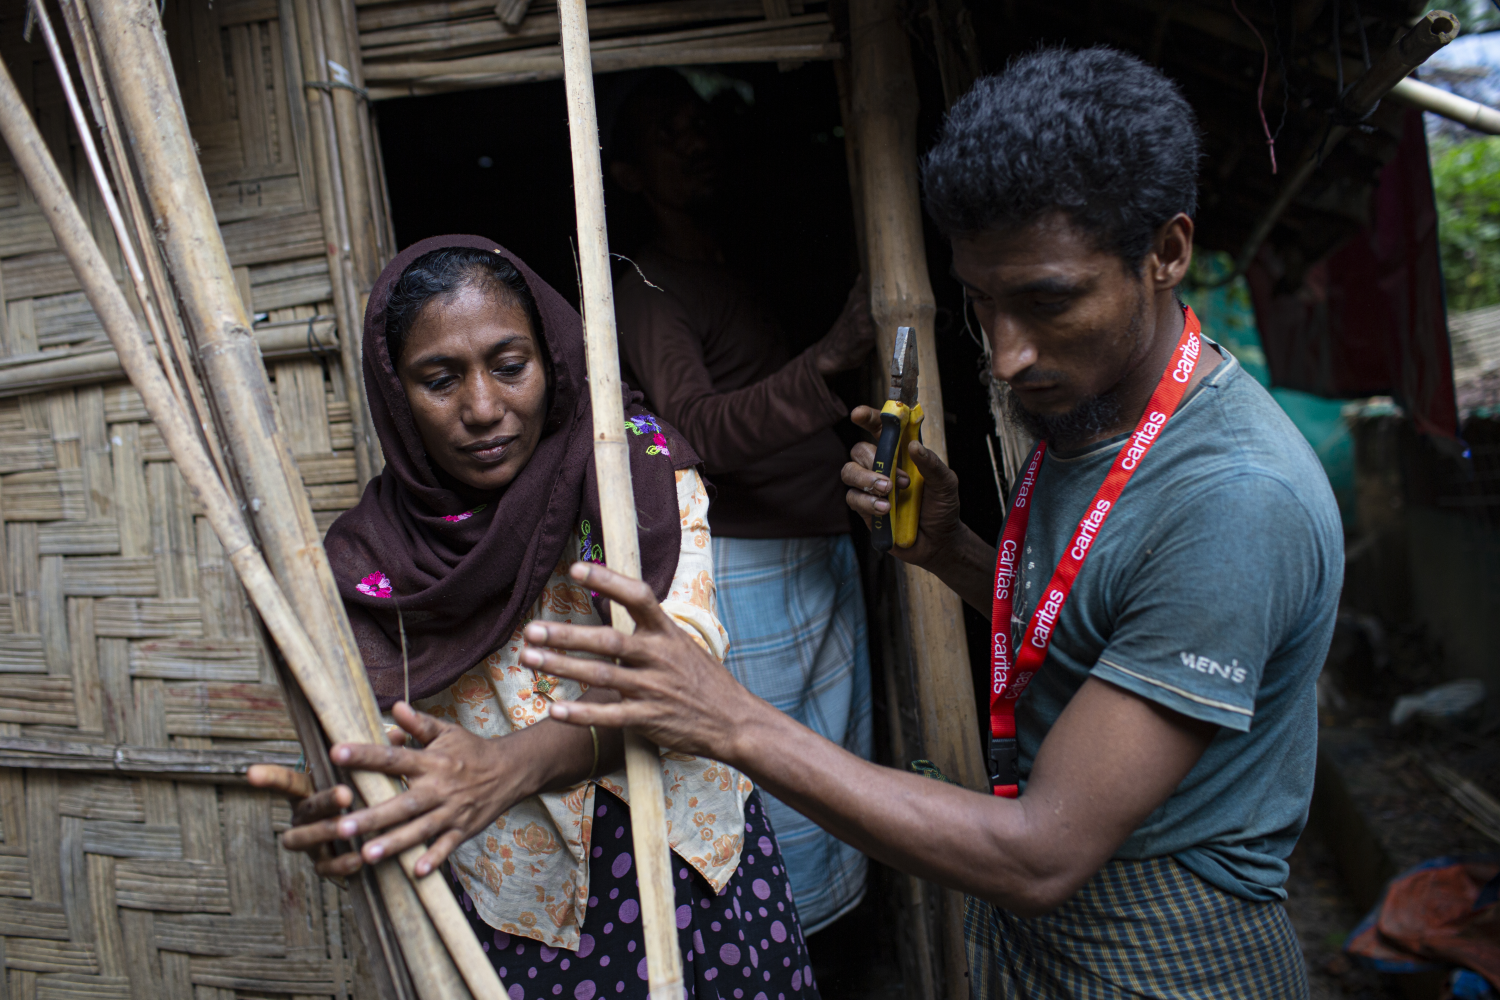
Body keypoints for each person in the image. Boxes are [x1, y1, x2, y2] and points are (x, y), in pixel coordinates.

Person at [510, 49, 1342, 999]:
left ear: (1166, 251)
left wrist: (728, 717)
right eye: (981, 305)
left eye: (1046, 301)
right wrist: (952, 554)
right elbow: (1093, 639)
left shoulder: (1232, 498)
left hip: (1166, 953)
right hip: (1053, 941)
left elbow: (1039, 854)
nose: (1006, 353)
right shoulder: (1098, 415)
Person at [248, 235, 819, 1000]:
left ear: (552, 357)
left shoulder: (639, 472)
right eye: (439, 379)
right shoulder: (369, 563)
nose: (483, 409)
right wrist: (361, 809)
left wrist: (502, 765)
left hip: (692, 859)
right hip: (521, 906)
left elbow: (685, 672)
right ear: (395, 395)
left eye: (510, 366)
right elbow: (377, 754)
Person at [606, 71, 877, 932]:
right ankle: (781, 951)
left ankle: (829, 935)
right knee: (782, 783)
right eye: (667, 132)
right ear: (627, 175)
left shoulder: (721, 259)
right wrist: (832, 357)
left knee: (832, 761)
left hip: (816, 541)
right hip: (754, 562)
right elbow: (699, 430)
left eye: (698, 122)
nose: (695, 140)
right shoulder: (647, 284)